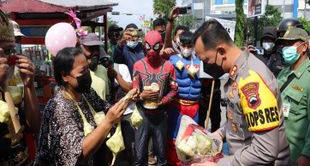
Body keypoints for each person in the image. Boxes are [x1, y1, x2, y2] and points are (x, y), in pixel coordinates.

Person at [193, 19, 290, 165]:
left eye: (206, 60)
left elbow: (265, 150)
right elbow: (240, 120)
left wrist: (217, 165)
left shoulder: (251, 81)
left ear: (221, 51)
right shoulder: (237, 73)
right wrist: (219, 134)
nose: (205, 66)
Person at [34, 47, 138, 165]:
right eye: (82, 71)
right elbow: (79, 153)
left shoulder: (86, 93)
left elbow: (106, 107)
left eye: (88, 69)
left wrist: (127, 99)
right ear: (64, 76)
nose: (87, 74)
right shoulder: (59, 107)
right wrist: (108, 121)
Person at [0, 10, 40, 165]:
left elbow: (34, 125)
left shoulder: (16, 70)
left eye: (11, 50)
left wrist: (29, 85)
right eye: (3, 51)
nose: (9, 58)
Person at [133, 31, 178, 166]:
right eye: (148, 47)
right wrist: (141, 95)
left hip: (160, 115)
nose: (151, 51)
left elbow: (174, 89)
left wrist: (162, 101)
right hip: (143, 115)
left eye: (155, 47)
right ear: (143, 46)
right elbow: (133, 92)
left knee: (162, 154)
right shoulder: (138, 65)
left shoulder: (168, 66)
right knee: (139, 155)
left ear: (161, 45)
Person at [276, 28, 310, 166]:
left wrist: (307, 154)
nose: (285, 48)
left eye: (290, 44)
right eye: (284, 44)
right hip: (277, 153)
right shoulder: (283, 74)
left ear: (304, 47)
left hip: (296, 156)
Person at [167, 31, 202, 165]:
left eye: (189, 45)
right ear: (179, 44)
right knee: (174, 137)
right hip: (177, 105)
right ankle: (173, 162)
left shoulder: (201, 62)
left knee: (191, 138)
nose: (186, 48)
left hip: (194, 105)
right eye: (184, 45)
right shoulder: (173, 60)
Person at [80, 33, 110, 101]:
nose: (95, 52)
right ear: (82, 48)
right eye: (91, 48)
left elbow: (106, 96)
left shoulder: (103, 70)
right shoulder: (78, 72)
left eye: (97, 48)